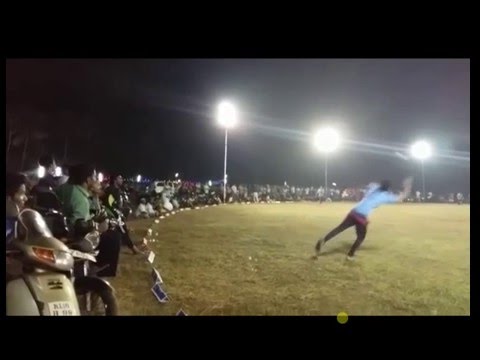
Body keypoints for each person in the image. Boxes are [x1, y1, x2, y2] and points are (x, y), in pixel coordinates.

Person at [314, 177, 413, 260]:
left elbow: (370, 184)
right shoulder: (385, 196)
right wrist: (407, 187)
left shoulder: (374, 187)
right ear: (388, 188)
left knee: (339, 228)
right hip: (361, 217)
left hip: (354, 212)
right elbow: (401, 197)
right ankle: (350, 255)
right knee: (361, 237)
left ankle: (323, 240)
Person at [56, 164, 122, 277]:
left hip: (60, 229)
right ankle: (100, 270)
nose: (98, 181)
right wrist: (97, 227)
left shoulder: (63, 188)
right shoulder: (79, 197)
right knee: (113, 237)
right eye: (95, 177)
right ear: (88, 180)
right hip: (73, 237)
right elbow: (78, 225)